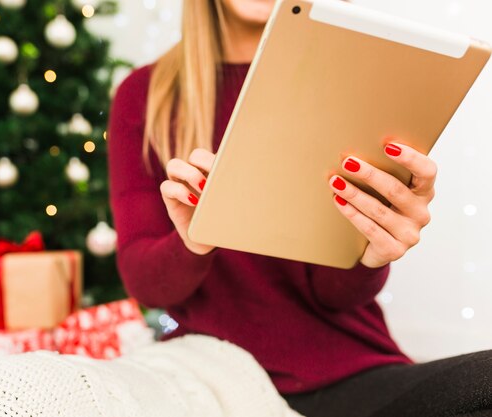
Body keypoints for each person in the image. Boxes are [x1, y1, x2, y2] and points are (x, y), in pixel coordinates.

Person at [107, 1, 492, 416]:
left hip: (352, 374)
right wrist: (194, 238)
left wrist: (370, 253)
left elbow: (334, 295)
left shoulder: (354, 77)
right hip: (214, 374)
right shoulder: (147, 94)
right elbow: (147, 286)